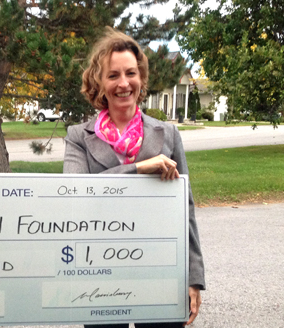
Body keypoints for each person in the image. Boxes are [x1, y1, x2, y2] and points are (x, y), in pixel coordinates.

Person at [63, 27, 205, 327]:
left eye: (130, 73)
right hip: (99, 272)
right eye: (113, 75)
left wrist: (194, 278)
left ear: (141, 78)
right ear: (99, 82)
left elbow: (186, 210)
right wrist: (139, 168)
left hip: (160, 270)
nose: (123, 83)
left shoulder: (168, 133)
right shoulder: (78, 136)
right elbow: (76, 194)